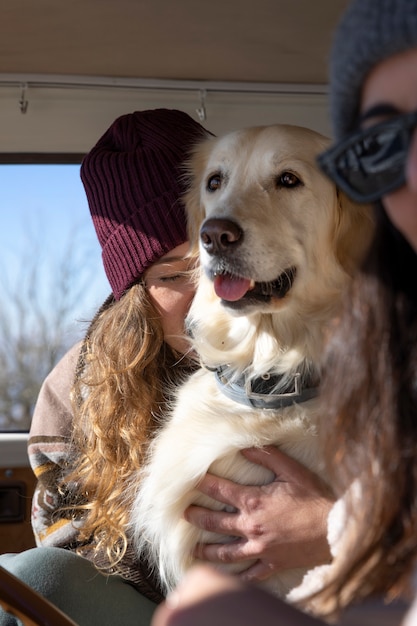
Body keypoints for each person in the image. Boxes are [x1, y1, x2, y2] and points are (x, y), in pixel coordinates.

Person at [0, 107, 332, 626]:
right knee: (35, 575)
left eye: (234, 252)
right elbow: (68, 546)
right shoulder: (78, 388)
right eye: (182, 272)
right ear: (136, 295)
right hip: (159, 603)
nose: (221, 290)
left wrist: (328, 525)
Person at [149, 0, 417, 624]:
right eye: (215, 185)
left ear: (349, 226)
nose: (224, 222)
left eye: (287, 181)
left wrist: (331, 528)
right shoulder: (191, 399)